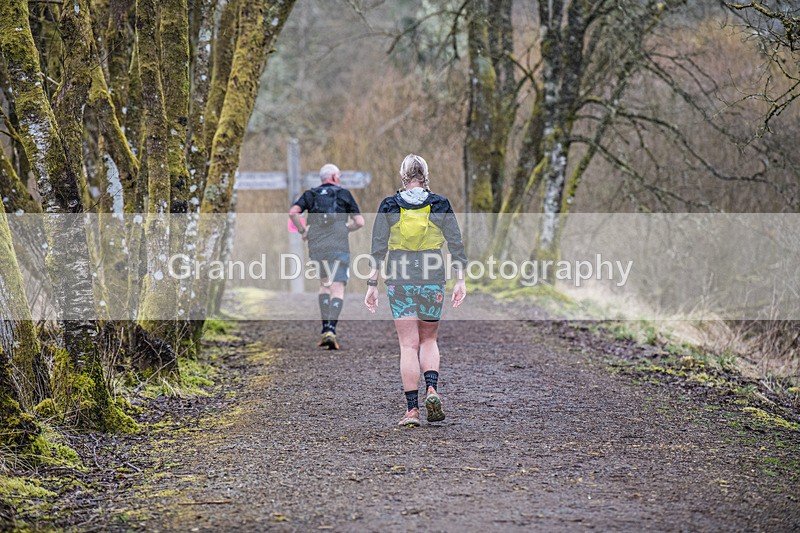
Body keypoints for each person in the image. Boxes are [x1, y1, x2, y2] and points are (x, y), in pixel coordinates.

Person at [365, 154, 467, 427]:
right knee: (429, 340)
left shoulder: (389, 205)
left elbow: (378, 248)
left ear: (403, 176)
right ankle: (432, 389)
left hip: (400, 279)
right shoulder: (440, 203)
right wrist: (460, 280)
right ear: (425, 175)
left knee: (408, 345)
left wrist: (372, 284)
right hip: (432, 278)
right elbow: (456, 243)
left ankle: (412, 411)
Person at [289, 163, 365, 350]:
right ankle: (331, 329)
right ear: (334, 177)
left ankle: (325, 329)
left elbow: (293, 213)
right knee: (338, 287)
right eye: (338, 175)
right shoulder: (344, 194)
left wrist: (302, 231)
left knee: (324, 284)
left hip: (317, 246)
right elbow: (360, 222)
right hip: (339, 245)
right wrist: (346, 228)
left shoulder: (310, 194)